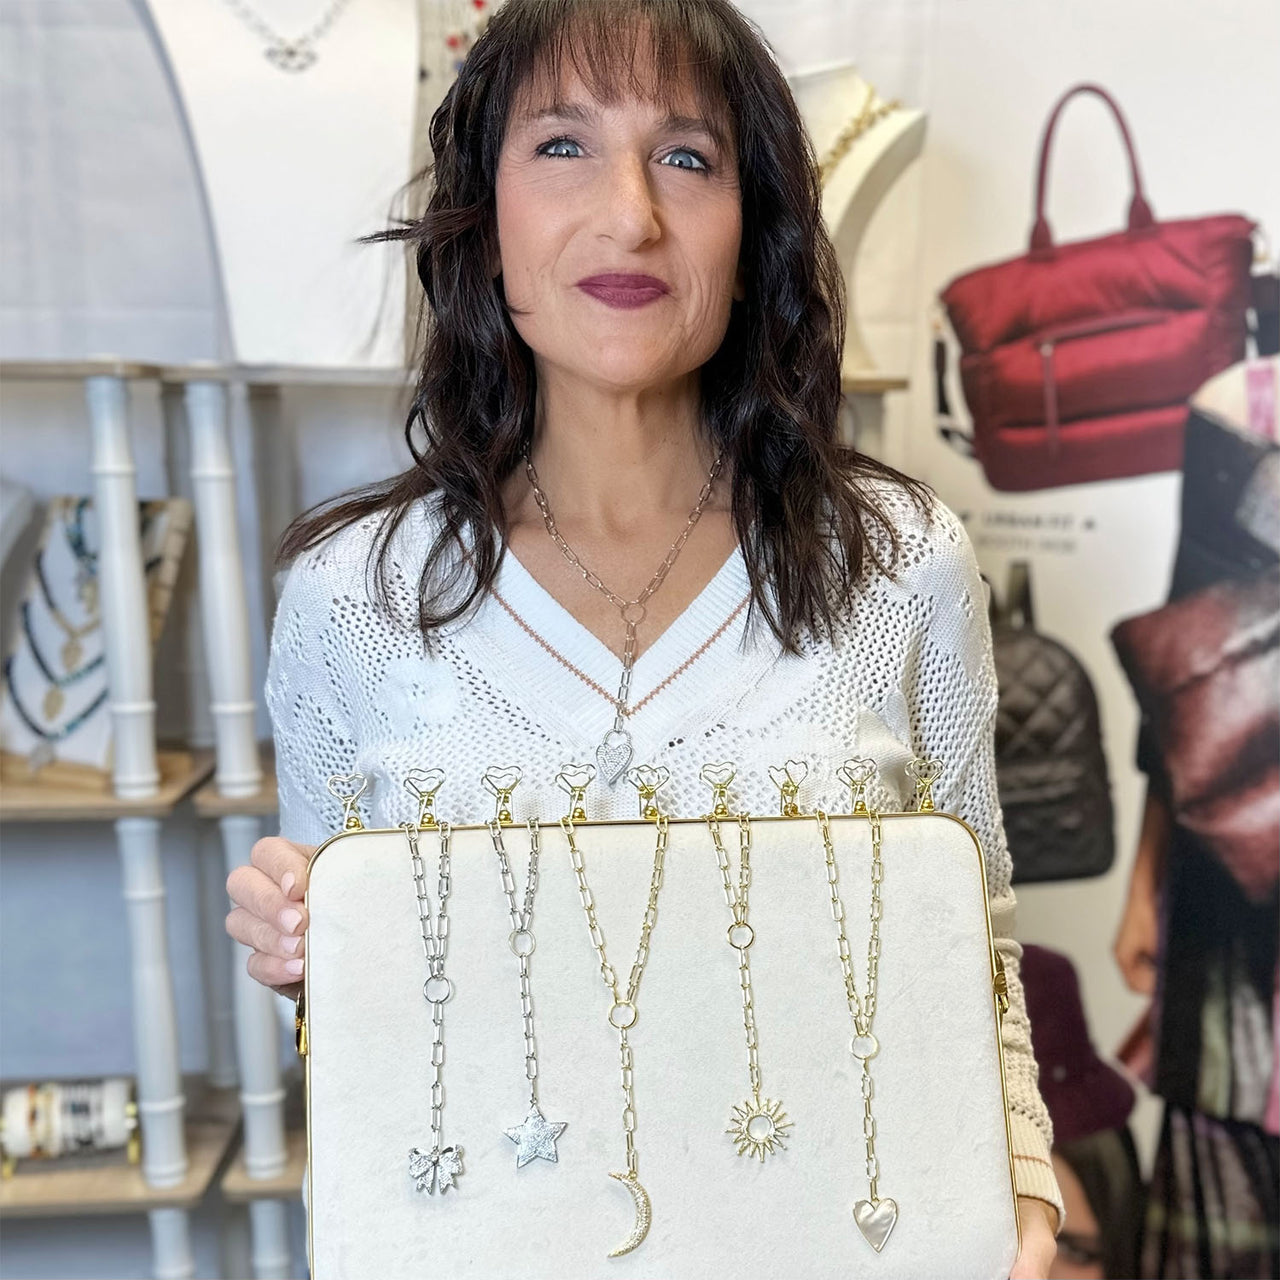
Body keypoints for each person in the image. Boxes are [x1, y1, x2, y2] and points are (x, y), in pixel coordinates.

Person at [225, 1, 1063, 1273]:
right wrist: (305, 950)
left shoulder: (895, 561)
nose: (630, 214)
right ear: (480, 214)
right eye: (561, 145)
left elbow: (973, 929)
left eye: (686, 155)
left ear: (754, 226)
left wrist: (1024, 1196)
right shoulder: (355, 592)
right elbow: (374, 1018)